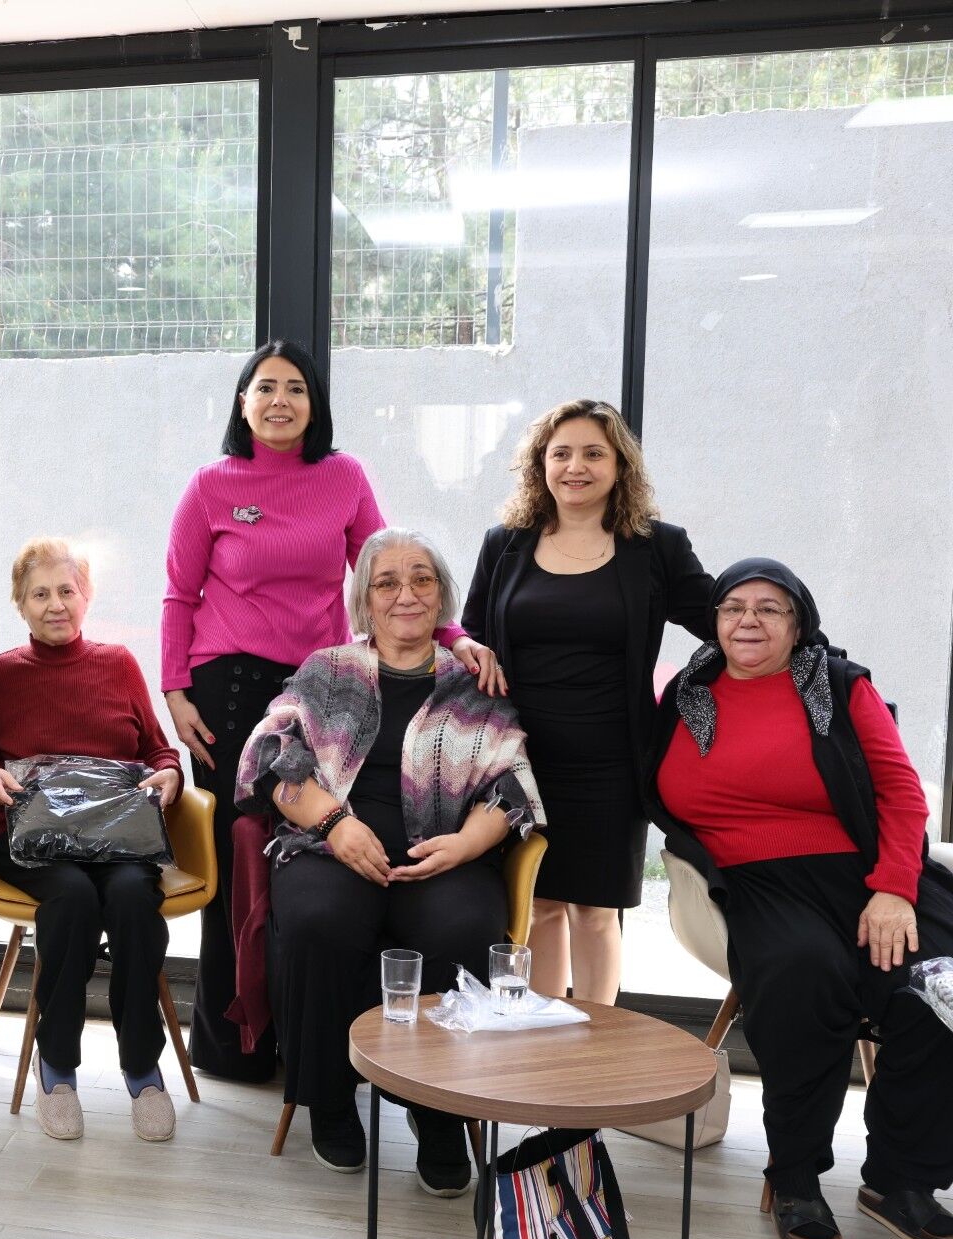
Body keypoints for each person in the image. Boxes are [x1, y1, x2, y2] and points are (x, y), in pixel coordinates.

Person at [161, 340, 501, 1082]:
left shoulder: (344, 476)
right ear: (243, 402)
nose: (279, 400)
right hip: (227, 691)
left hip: (324, 693)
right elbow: (180, 594)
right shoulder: (211, 485)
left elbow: (389, 570)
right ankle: (235, 1046)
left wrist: (456, 638)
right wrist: (175, 691)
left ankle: (314, 1037)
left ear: (315, 405)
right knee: (239, 862)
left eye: (296, 388)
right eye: (265, 387)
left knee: (310, 860)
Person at [648, 558, 953, 1239]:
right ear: (714, 621)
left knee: (938, 988)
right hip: (754, 882)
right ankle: (796, 1179)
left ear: (798, 623)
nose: (748, 621)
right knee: (802, 974)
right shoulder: (686, 694)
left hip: (860, 875)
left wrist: (893, 888)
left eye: (769, 608)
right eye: (733, 608)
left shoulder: (839, 685)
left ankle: (902, 1180)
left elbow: (902, 792)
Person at [235, 528, 542, 1193]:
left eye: (422, 579)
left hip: (443, 854)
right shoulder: (328, 670)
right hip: (330, 847)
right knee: (319, 920)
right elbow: (268, 758)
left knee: (465, 927)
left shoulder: (473, 681)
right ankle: (330, 1098)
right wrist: (336, 825)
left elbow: (513, 784)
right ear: (364, 601)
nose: (407, 594)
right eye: (387, 582)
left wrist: (465, 845)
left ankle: (439, 1110)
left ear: (443, 596)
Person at [461, 398, 713, 1005]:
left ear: (620, 466)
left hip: (612, 763)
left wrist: (799, 643)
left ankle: (597, 1045)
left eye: (594, 454)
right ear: (541, 465)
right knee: (540, 904)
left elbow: (721, 621)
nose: (576, 467)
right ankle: (544, 1038)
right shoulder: (506, 544)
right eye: (562, 454)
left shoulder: (657, 547)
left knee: (596, 911)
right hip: (520, 761)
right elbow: (469, 632)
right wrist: (469, 650)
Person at [0, 538, 184, 1143]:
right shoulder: (2, 673)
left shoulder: (119, 663)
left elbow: (158, 750)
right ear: (20, 604)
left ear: (86, 597)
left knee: (132, 898)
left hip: (117, 837)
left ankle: (142, 1068)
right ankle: (56, 1065)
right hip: (35, 840)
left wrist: (168, 774)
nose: (55, 604)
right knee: (74, 900)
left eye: (67, 590)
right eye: (40, 594)